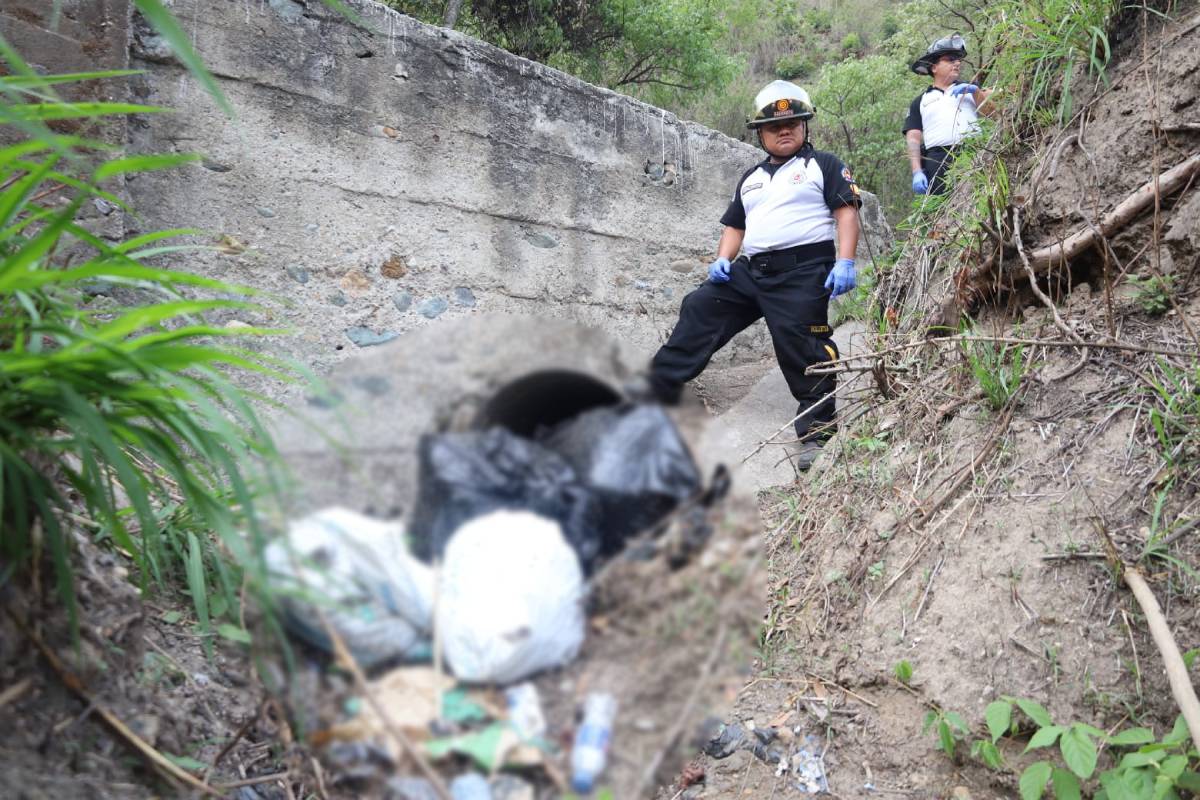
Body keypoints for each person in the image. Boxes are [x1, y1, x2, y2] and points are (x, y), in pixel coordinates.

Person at [638, 80, 861, 470]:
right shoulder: (751, 178)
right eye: (775, 127)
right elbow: (735, 226)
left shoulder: (823, 165)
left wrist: (845, 260)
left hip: (804, 271)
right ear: (761, 133)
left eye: (793, 122)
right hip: (749, 271)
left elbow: (846, 212)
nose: (784, 130)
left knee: (803, 344)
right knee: (700, 307)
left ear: (805, 126)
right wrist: (722, 259)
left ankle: (818, 429)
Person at [903, 33, 992, 195]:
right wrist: (917, 172)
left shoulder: (971, 89)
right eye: (950, 59)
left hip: (975, 154)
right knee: (946, 214)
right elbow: (913, 138)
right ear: (934, 67)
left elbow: (994, 114)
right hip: (938, 162)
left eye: (958, 59)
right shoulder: (920, 101)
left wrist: (975, 91)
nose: (957, 63)